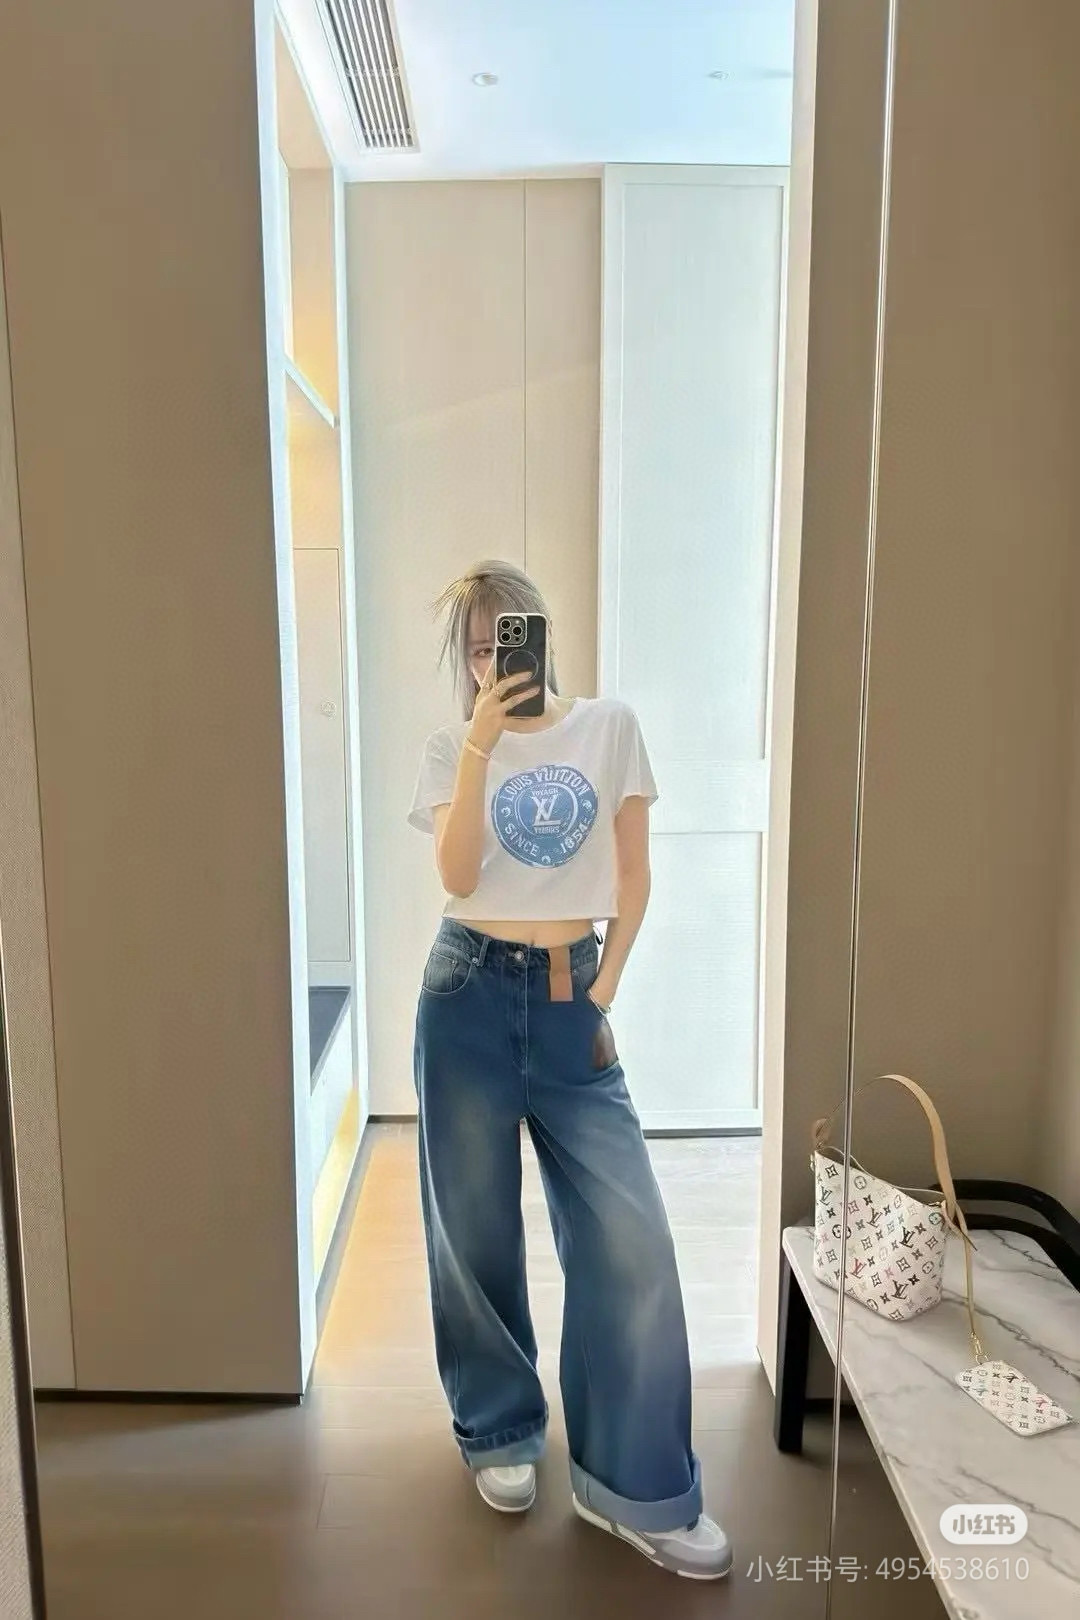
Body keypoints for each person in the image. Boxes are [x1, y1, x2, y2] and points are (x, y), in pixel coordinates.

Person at [407, 560, 732, 1580]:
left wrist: (604, 993)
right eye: (477, 646)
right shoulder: (451, 748)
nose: (494, 658)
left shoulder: (609, 727)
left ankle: (636, 1484)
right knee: (472, 1230)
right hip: (464, 990)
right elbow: (458, 874)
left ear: (543, 633)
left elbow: (634, 877)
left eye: (510, 634)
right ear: (466, 661)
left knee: (629, 1238)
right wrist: (481, 745)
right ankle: (500, 1427)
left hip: (570, 992)